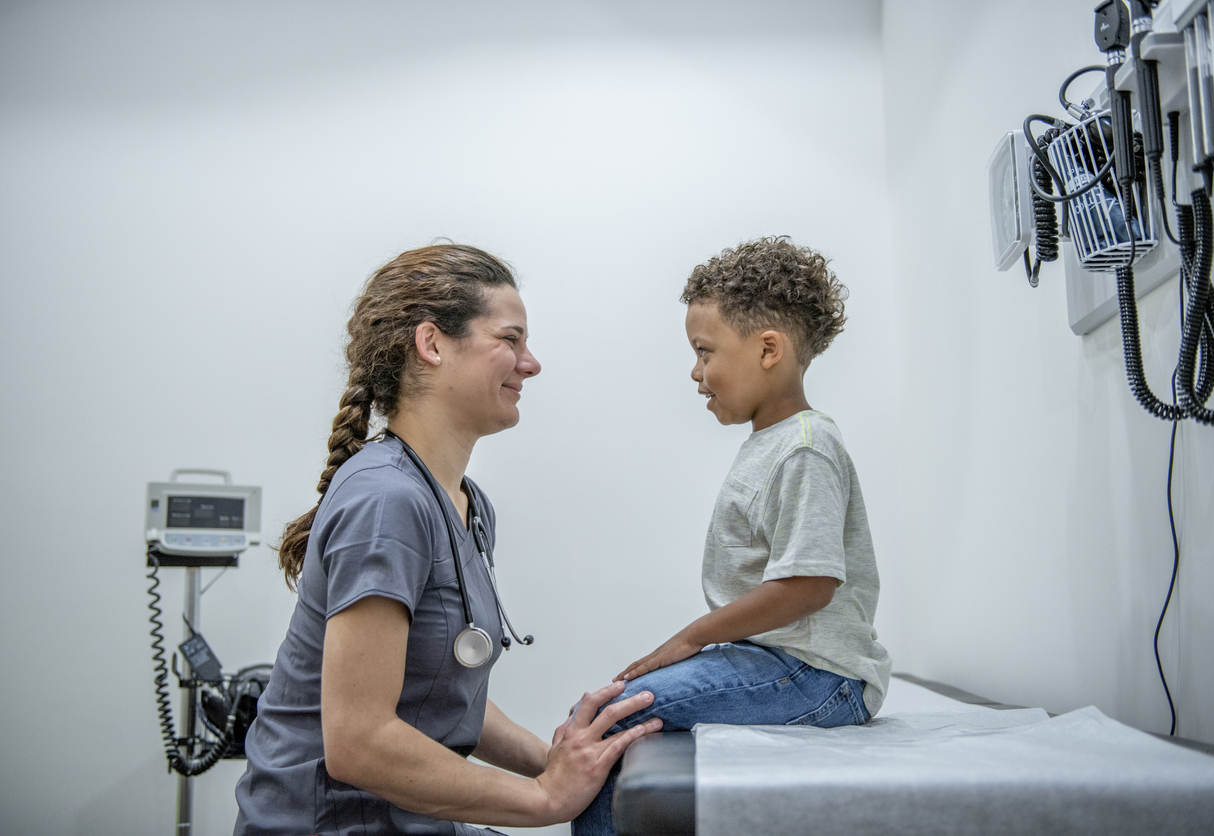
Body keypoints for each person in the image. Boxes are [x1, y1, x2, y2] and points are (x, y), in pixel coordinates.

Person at [234, 244, 662, 836]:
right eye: (510, 340)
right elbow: (360, 742)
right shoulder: (386, 501)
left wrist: (561, 765)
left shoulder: (464, 503)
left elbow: (440, 698)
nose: (530, 363)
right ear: (432, 344)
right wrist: (542, 801)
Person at [573, 236, 892, 836]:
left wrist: (690, 639)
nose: (696, 373)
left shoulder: (805, 448)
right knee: (600, 712)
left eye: (704, 352)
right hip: (779, 660)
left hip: (821, 676)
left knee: (606, 720)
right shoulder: (773, 442)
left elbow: (809, 584)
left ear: (768, 348)